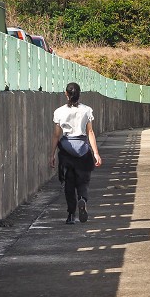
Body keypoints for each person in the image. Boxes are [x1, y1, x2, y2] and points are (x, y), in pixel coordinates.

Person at [49, 82, 102, 224]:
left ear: (66, 94)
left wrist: (52, 154)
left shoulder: (59, 111)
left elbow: (56, 135)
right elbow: (90, 131)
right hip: (83, 150)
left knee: (69, 184)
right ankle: (82, 199)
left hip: (67, 151)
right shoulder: (86, 110)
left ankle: (71, 215)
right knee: (83, 181)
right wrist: (96, 153)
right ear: (79, 94)